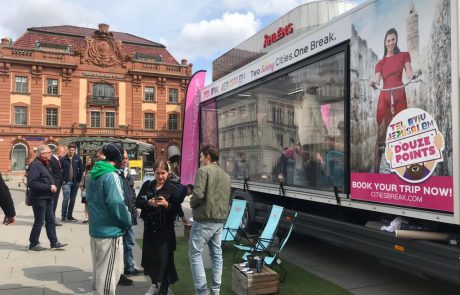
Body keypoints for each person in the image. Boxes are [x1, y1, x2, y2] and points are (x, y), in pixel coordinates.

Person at [86, 143, 131, 295]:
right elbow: (117, 202)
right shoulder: (111, 175)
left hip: (96, 228)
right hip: (110, 231)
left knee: (100, 270)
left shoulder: (93, 173)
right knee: (109, 274)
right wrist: (127, 220)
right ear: (117, 158)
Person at [189, 144, 231, 295]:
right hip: (219, 220)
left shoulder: (203, 171)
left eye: (201, 156)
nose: (200, 160)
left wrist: (192, 202)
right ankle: (215, 290)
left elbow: (198, 194)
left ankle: (202, 291)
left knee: (195, 254)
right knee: (217, 255)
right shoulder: (226, 175)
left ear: (208, 156)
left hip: (204, 218)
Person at [370, 28, 414, 173]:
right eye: (388, 40)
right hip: (385, 98)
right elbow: (377, 81)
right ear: (384, 42)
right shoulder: (380, 63)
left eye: (393, 39)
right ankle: (375, 173)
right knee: (381, 134)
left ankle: (404, 171)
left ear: (396, 40)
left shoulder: (403, 55)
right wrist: (373, 84)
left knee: (402, 132)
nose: (390, 43)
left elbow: (409, 72)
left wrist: (414, 75)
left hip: (399, 94)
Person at [136, 160, 180, 295]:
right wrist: (148, 202)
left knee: (164, 261)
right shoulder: (147, 185)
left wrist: (167, 205)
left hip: (165, 230)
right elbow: (137, 202)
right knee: (151, 259)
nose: (160, 176)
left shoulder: (172, 188)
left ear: (168, 173)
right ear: (153, 173)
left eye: (163, 173)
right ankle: (154, 284)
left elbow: (177, 209)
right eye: (158, 173)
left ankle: (163, 289)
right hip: (150, 229)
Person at [27, 145, 67, 251]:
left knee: (50, 220)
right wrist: (49, 186)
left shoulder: (45, 164)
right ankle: (33, 244)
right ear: (42, 154)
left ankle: (54, 242)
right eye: (49, 152)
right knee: (39, 221)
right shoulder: (36, 165)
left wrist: (52, 185)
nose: (51, 154)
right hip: (39, 198)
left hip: (48, 197)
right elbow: (32, 183)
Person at [118, 150, 143, 287]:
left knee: (130, 242)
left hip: (130, 215)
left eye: (127, 158)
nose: (125, 160)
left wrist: (134, 211)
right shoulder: (114, 174)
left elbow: (132, 194)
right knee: (119, 246)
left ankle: (129, 267)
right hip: (121, 217)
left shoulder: (127, 174)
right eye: (123, 158)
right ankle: (118, 273)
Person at [61, 143, 84, 222]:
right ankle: (63, 216)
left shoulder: (78, 158)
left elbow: (81, 169)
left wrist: (78, 180)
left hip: (75, 182)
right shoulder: (63, 159)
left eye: (73, 150)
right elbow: (60, 171)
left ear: (75, 150)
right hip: (66, 182)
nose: (71, 151)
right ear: (68, 149)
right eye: (70, 150)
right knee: (66, 199)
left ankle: (70, 216)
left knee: (73, 199)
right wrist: (62, 180)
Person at [49, 145, 66, 226]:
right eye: (63, 152)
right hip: (54, 185)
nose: (64, 154)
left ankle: (52, 219)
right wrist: (52, 184)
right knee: (52, 203)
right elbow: (50, 173)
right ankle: (50, 220)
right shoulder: (52, 160)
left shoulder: (58, 160)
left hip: (58, 184)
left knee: (54, 202)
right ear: (59, 151)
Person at [79, 157, 94, 224]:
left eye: (89, 160)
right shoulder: (86, 170)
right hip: (85, 190)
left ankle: (92, 218)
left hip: (91, 190)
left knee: (91, 204)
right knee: (86, 204)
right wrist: (81, 186)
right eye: (87, 160)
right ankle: (86, 218)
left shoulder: (94, 170)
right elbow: (83, 179)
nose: (87, 161)